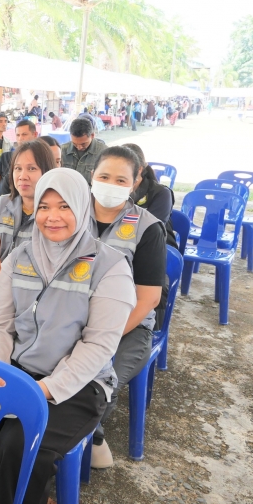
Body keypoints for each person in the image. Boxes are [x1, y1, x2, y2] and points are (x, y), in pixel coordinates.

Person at [0, 168, 136, 504]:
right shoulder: (19, 256)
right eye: (45, 206)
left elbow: (99, 346)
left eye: (64, 206)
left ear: (82, 207)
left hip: (79, 385)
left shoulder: (110, 267)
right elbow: (0, 324)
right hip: (20, 373)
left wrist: (47, 389)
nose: (52, 216)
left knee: (19, 446)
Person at [87, 146, 167, 468]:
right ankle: (84, 436)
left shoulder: (147, 228)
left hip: (128, 327)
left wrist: (103, 336)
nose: (110, 184)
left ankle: (89, 438)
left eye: (121, 180)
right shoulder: (70, 215)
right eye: (104, 176)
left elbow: (149, 299)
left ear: (135, 183)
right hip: (74, 317)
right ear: (92, 176)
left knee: (96, 386)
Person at [0, 141, 56, 358]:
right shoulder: (0, 205)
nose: (22, 176)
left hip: (36, 293)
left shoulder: (55, 214)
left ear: (47, 172)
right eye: (18, 168)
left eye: (32, 168)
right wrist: (2, 287)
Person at [0, 118, 37, 198]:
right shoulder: (5, 157)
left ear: (35, 134)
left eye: (24, 134)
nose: (20, 138)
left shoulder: (39, 158)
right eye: (18, 135)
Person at [60, 118, 107, 185]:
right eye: (74, 143)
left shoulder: (104, 153)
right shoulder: (62, 151)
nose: (79, 147)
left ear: (92, 135)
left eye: (83, 144)